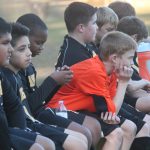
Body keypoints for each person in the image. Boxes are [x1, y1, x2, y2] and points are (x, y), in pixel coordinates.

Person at [16, 13, 101, 149]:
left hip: (44, 111)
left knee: (90, 129)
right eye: (38, 42)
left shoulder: (29, 66)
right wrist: (52, 80)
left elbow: (40, 99)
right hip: (35, 117)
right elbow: (29, 106)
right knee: (82, 134)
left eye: (43, 43)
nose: (41, 48)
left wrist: (58, 80)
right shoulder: (16, 71)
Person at [48, 31, 141, 150]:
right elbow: (112, 112)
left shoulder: (110, 70)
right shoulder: (94, 71)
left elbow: (111, 107)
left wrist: (112, 112)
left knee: (129, 127)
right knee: (116, 134)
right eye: (130, 58)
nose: (132, 63)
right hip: (59, 111)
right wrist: (123, 83)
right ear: (114, 58)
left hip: (81, 110)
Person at [0, 17, 56, 150]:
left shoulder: (2, 76)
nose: (10, 49)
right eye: (5, 43)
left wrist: (22, 132)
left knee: (45, 145)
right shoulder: (7, 75)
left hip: (9, 131)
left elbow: (15, 107)